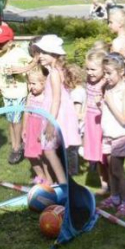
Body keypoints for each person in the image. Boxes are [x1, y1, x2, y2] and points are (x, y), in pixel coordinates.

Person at [33, 34, 81, 185]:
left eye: (43, 52)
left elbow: (56, 99)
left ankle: (62, 183)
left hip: (56, 115)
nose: (39, 56)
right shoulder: (56, 70)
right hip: (57, 113)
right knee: (53, 150)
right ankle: (61, 181)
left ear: (53, 54)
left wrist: (50, 123)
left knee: (49, 150)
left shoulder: (54, 73)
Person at [97, 52, 125, 217]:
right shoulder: (108, 88)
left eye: (109, 73)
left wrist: (109, 102)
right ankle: (115, 197)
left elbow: (124, 118)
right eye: (104, 72)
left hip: (120, 136)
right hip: (108, 135)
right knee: (111, 169)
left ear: (120, 72)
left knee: (118, 170)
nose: (106, 76)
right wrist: (102, 106)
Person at [0, 42, 31, 165]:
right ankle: (15, 145)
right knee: (11, 120)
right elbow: (0, 72)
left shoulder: (19, 52)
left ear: (9, 43)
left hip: (19, 92)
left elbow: (33, 64)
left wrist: (21, 70)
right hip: (6, 93)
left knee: (16, 120)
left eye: (1, 43)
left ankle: (17, 147)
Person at [82, 48, 110, 195]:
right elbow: (87, 98)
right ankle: (104, 185)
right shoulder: (88, 80)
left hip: (103, 122)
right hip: (91, 120)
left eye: (93, 69)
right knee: (97, 156)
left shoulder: (106, 83)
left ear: (103, 69)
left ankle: (113, 183)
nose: (89, 72)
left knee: (106, 155)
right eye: (87, 69)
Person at [22, 67, 50, 184]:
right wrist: (24, 128)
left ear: (43, 83)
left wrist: (43, 131)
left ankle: (48, 178)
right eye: (29, 84)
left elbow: (48, 116)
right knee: (30, 154)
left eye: (34, 83)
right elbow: (27, 112)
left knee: (43, 155)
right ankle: (40, 175)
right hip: (31, 126)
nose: (31, 86)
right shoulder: (30, 96)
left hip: (41, 127)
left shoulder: (46, 98)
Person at [66, 62, 86, 176]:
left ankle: (72, 170)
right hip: (79, 126)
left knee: (71, 149)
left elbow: (76, 113)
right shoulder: (81, 90)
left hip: (76, 127)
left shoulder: (76, 93)